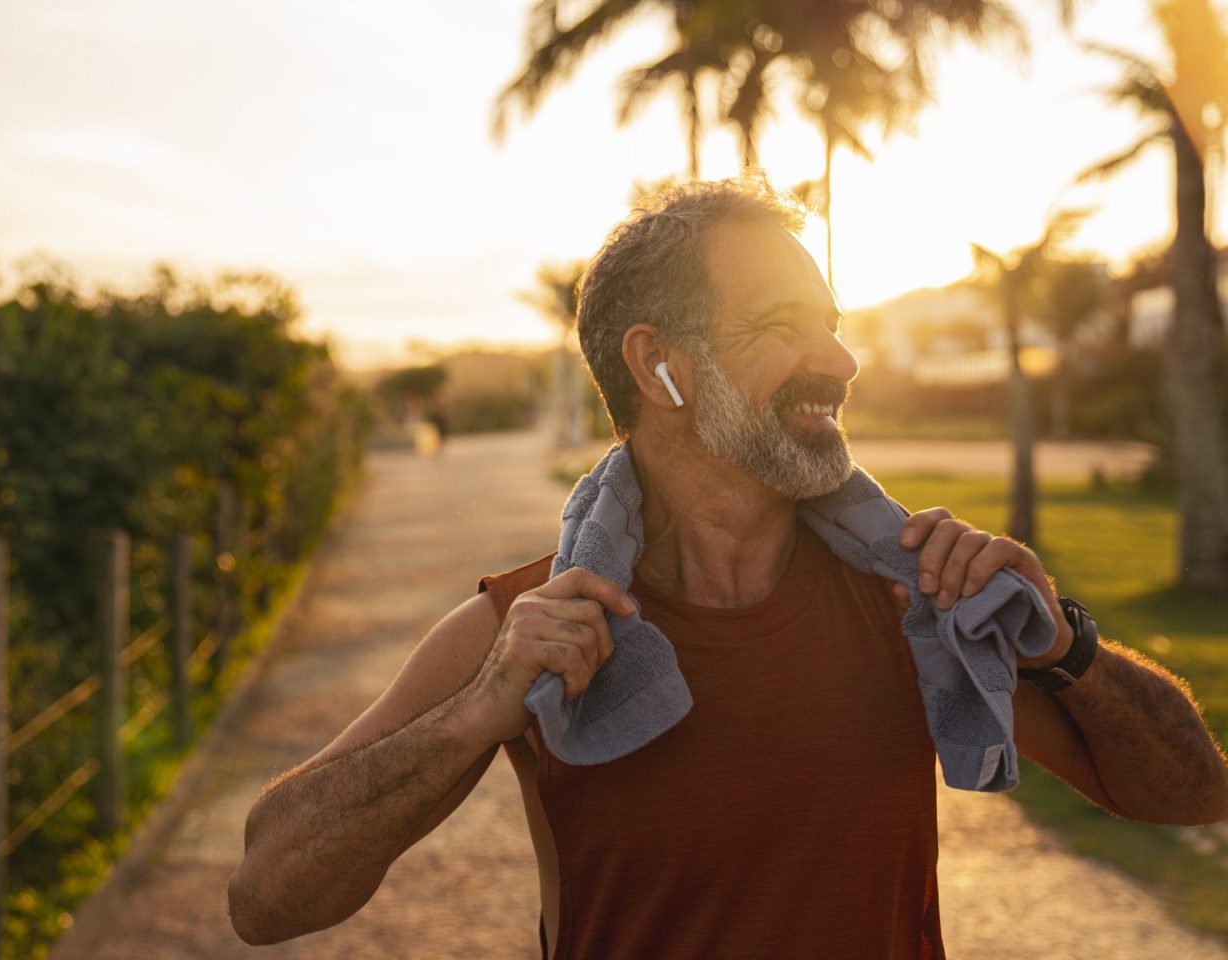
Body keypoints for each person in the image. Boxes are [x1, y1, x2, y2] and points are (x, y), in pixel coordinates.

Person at [227, 175, 1228, 958]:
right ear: (660, 364)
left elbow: (1191, 794)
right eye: (784, 325)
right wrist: (479, 711)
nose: (837, 360)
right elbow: (266, 898)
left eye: (832, 326)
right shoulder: (522, 630)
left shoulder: (913, 602)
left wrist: (1059, 643)